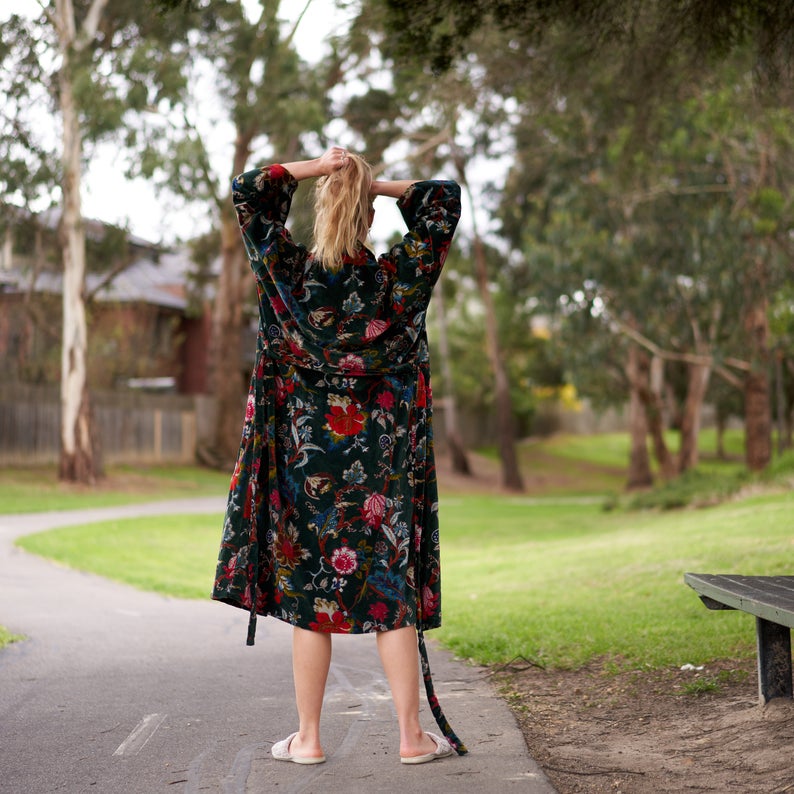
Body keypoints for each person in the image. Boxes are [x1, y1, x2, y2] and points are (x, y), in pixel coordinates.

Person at [212, 145, 465, 765]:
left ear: (320, 213)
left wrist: (320, 171)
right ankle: (410, 739)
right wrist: (373, 185)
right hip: (381, 473)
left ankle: (309, 739)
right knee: (389, 598)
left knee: (312, 599)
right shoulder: (395, 281)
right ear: (369, 220)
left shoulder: (289, 276)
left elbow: (249, 189)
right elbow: (442, 200)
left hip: (307, 468)